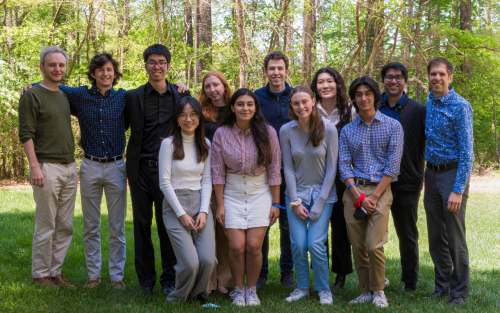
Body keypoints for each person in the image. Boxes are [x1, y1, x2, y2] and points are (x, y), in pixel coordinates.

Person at [20, 53, 188, 290]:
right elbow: (51, 87)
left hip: (117, 166)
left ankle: (117, 277)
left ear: (115, 74)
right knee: (91, 225)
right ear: (93, 74)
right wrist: (31, 86)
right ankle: (93, 275)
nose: (105, 74)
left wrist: (179, 86)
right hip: (89, 165)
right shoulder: (77, 95)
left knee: (117, 225)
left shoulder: (125, 98)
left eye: (109, 70)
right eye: (100, 70)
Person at [124, 44, 191, 296]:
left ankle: (169, 279)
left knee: (168, 225)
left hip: (169, 172)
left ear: (168, 66)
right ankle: (146, 282)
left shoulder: (181, 95)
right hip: (140, 169)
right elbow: (117, 124)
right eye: (152, 62)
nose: (157, 67)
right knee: (141, 224)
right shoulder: (133, 97)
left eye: (162, 62)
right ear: (145, 66)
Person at [211, 88, 282, 306]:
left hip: (260, 192)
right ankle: (238, 290)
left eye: (250, 104)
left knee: (253, 246)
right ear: (232, 107)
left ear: (255, 107)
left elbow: (275, 169)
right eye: (240, 104)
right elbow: (217, 171)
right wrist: (220, 205)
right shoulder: (221, 133)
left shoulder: (268, 132)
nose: (245, 108)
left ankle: (251, 290)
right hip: (231, 192)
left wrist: (276, 203)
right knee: (236, 247)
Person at [339, 76, 403, 308]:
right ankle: (365, 290)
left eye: (368, 93)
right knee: (358, 245)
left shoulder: (393, 126)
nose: (363, 98)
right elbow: (344, 165)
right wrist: (357, 196)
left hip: (380, 191)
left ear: (375, 96)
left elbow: (393, 166)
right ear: (353, 99)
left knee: (374, 244)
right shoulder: (347, 131)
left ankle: (379, 291)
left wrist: (374, 197)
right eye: (358, 94)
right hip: (354, 191)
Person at [19, 46, 78, 288]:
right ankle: (40, 274)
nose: (57, 69)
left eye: (61, 65)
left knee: (65, 225)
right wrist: (35, 167)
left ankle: (56, 272)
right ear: (41, 67)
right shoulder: (31, 95)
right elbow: (26, 133)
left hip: (70, 166)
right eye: (52, 65)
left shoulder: (64, 95)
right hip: (47, 166)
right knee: (46, 224)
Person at [280, 85, 337, 305]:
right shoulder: (286, 130)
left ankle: (324, 289)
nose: (301, 106)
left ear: (313, 101)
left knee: (315, 243)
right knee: (298, 244)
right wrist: (295, 202)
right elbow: (289, 168)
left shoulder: (329, 129)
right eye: (296, 103)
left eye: (305, 101)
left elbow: (332, 169)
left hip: (323, 195)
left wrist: (319, 203)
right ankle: (302, 287)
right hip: (296, 195)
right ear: (291, 106)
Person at [424, 57, 473, 307]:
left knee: (455, 237)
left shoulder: (460, 106)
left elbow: (467, 152)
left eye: (442, 74)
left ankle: (460, 292)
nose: (437, 78)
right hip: (430, 175)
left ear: (450, 78)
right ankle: (441, 287)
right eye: (433, 74)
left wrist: (458, 190)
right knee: (436, 237)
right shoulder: (429, 101)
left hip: (452, 175)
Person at [158, 96, 216, 303]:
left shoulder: (205, 144)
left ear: (199, 118)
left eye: (192, 115)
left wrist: (203, 211)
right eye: (183, 115)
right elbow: (164, 182)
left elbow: (207, 180)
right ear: (177, 119)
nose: (188, 119)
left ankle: (199, 296)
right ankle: (177, 297)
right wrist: (181, 214)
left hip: (200, 203)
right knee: (190, 263)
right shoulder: (168, 144)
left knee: (208, 259)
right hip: (175, 205)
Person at [378, 62, 426, 293]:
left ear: (405, 81)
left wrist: (420, 175)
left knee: (407, 234)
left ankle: (410, 282)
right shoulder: (373, 107)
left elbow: (428, 143)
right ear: (383, 81)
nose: (393, 81)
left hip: (407, 181)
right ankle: (377, 280)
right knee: (374, 235)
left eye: (398, 77)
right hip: (376, 182)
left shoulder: (418, 110)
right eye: (389, 77)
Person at [310, 67, 357, 290]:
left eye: (330, 81)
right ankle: (319, 273)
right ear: (315, 87)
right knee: (318, 225)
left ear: (338, 84)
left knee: (340, 227)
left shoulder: (351, 111)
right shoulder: (310, 110)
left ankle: (341, 275)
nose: (325, 86)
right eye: (321, 82)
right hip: (317, 175)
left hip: (343, 176)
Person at [254, 50, 295, 288]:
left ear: (287, 71)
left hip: (292, 170)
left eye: (280, 68)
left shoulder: (297, 95)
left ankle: (287, 272)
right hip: (263, 171)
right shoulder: (256, 98)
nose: (276, 72)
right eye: (272, 68)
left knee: (288, 226)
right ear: (266, 71)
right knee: (263, 221)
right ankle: (261, 273)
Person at [199, 71, 234, 295]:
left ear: (224, 86)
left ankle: (225, 280)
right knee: (208, 231)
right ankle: (209, 281)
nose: (212, 90)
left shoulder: (235, 109)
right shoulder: (201, 113)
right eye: (208, 86)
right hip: (206, 175)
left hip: (231, 178)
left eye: (216, 85)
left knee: (226, 230)